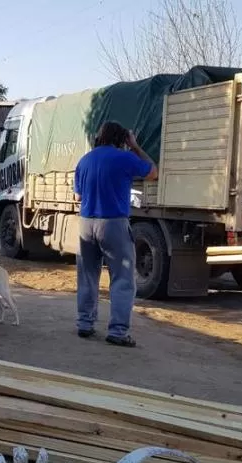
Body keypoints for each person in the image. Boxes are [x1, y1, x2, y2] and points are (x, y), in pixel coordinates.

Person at [73, 121, 157, 348]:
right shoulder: (125, 158)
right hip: (113, 224)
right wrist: (136, 147)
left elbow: (78, 197)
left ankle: (85, 324)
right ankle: (118, 331)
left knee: (87, 276)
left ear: (99, 137)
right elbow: (152, 172)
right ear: (122, 139)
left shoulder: (85, 160)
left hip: (86, 224)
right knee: (122, 278)